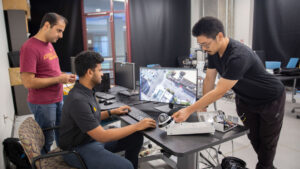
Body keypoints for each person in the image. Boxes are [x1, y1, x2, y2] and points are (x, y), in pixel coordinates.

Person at [172, 16, 285, 169]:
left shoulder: (238, 55)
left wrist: (189, 110)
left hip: (270, 99)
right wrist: (202, 108)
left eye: (205, 44)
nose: (204, 49)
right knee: (253, 137)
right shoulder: (213, 51)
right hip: (245, 100)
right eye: (201, 45)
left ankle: (265, 166)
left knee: (267, 142)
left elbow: (219, 91)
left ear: (219, 36)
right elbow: (209, 80)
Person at [59, 50, 156, 169]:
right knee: (126, 166)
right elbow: (102, 136)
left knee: (135, 137)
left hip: (91, 140)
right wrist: (137, 126)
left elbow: (92, 116)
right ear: (89, 72)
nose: (102, 74)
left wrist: (112, 112)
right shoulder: (78, 100)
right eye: (99, 70)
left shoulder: (86, 91)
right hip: (77, 150)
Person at [20, 12, 76, 153]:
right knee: (46, 139)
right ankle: (43, 163)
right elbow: (28, 82)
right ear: (46, 25)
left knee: (61, 132)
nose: (61, 35)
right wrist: (58, 79)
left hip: (57, 98)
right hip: (43, 103)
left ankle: (63, 159)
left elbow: (48, 70)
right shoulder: (30, 47)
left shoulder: (48, 44)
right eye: (59, 30)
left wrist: (63, 75)